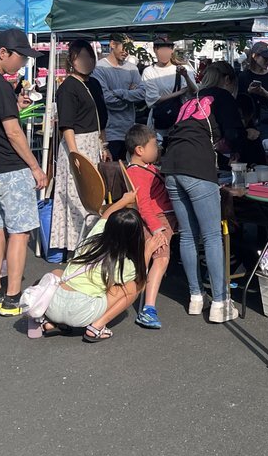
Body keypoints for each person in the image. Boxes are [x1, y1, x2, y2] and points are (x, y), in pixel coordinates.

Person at [161, 61, 248, 322]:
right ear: (227, 79)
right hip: (197, 166)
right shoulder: (222, 96)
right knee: (211, 236)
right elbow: (234, 132)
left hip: (171, 166)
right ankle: (220, 302)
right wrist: (242, 144)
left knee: (188, 235)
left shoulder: (191, 99)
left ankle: (196, 297)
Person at [0, 28, 47, 317]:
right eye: (21, 57)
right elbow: (13, 132)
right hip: (9, 168)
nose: (23, 63)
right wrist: (35, 167)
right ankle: (12, 296)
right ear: (3, 53)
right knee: (19, 233)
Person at [35, 205, 167, 343]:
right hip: (80, 314)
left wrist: (125, 199)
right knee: (132, 288)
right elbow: (140, 278)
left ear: (108, 226)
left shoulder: (91, 239)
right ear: (135, 236)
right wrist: (148, 250)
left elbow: (105, 215)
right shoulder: (124, 264)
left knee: (57, 272)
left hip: (52, 307)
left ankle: (50, 322)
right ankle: (97, 327)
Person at [50, 40, 110, 255]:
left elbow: (101, 120)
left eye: (89, 57)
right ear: (71, 61)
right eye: (80, 57)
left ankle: (93, 243)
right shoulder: (67, 87)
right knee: (78, 194)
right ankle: (75, 246)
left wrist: (104, 145)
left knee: (96, 194)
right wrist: (74, 153)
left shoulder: (94, 84)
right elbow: (67, 124)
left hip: (94, 143)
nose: (86, 61)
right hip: (77, 144)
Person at [124, 124, 177, 327]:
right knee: (161, 258)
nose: (157, 150)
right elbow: (144, 205)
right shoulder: (139, 173)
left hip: (159, 216)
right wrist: (157, 228)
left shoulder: (142, 168)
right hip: (157, 219)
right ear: (140, 150)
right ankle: (148, 308)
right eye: (154, 146)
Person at [94, 34, 145, 160]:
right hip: (110, 133)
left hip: (130, 132)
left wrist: (120, 93)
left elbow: (142, 93)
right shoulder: (99, 68)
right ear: (112, 44)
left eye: (130, 47)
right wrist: (130, 94)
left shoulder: (132, 68)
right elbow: (105, 99)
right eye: (124, 46)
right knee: (112, 168)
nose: (126, 51)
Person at [141, 37, 196, 129]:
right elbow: (154, 99)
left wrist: (186, 76)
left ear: (172, 50)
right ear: (155, 50)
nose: (164, 53)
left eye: (167, 50)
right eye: (161, 50)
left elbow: (194, 92)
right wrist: (179, 92)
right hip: (160, 119)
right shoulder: (149, 71)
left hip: (181, 119)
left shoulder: (184, 69)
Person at [238, 41, 268, 140]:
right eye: (265, 58)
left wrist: (265, 93)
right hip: (249, 122)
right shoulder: (243, 77)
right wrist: (248, 92)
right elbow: (238, 101)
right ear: (254, 56)